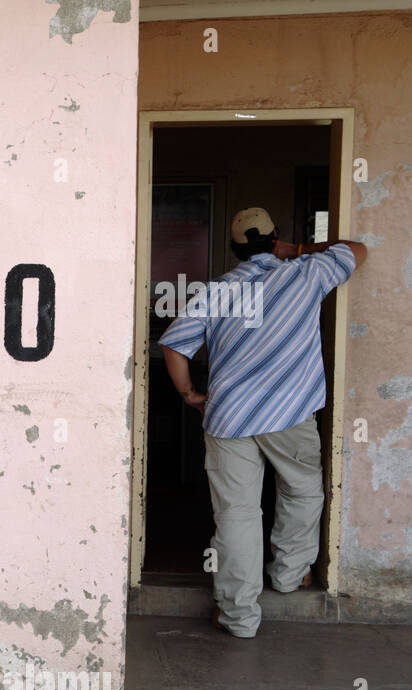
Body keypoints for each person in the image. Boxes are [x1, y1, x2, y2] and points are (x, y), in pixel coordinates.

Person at [157, 207, 366, 638]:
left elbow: (175, 347)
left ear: (234, 249)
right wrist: (298, 250)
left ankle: (239, 617)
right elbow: (357, 250)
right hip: (290, 411)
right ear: (277, 240)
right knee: (303, 491)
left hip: (229, 414)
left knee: (236, 514)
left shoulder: (217, 290)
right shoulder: (306, 272)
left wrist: (191, 395)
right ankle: (289, 576)